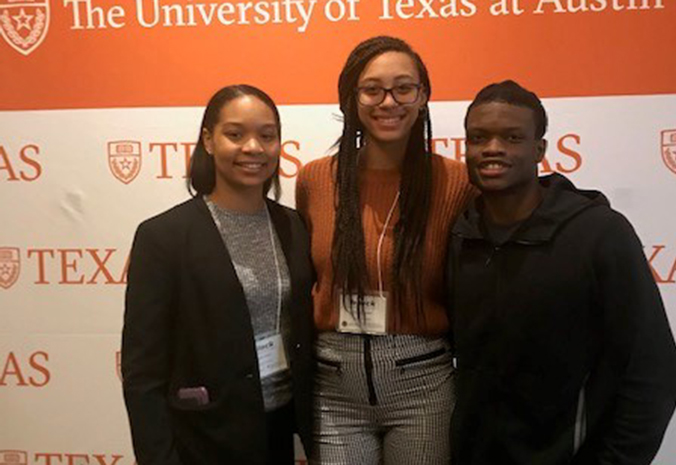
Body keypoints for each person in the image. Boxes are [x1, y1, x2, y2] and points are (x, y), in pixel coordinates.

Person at [447, 80, 676, 465]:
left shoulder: (599, 234)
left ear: (539, 149)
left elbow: (654, 372)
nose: (493, 149)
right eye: (479, 137)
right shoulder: (460, 235)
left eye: (511, 137)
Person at [295, 36, 472, 465]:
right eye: (372, 89)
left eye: (403, 88)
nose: (388, 101)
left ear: (423, 97)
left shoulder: (455, 182)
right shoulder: (316, 180)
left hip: (422, 382)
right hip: (334, 384)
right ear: (351, 99)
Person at [122, 84, 314, 465]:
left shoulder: (292, 225)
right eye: (235, 134)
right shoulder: (164, 237)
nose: (253, 147)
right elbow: (143, 372)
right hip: (204, 437)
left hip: (282, 431)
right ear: (208, 140)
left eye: (267, 135)